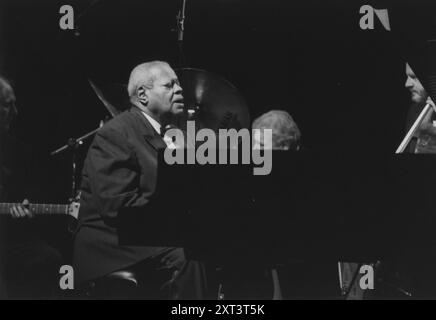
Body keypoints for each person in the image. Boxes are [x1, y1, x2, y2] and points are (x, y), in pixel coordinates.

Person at [73, 61, 207, 299]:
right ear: (143, 95)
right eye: (169, 85)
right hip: (111, 242)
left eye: (178, 84)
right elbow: (117, 207)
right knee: (188, 254)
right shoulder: (116, 133)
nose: (179, 90)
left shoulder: (171, 135)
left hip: (147, 233)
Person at [0, 76, 61, 299]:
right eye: (8, 105)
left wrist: (26, 204)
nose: (15, 112)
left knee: (50, 257)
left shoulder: (20, 152)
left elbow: (33, 191)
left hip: (9, 239)